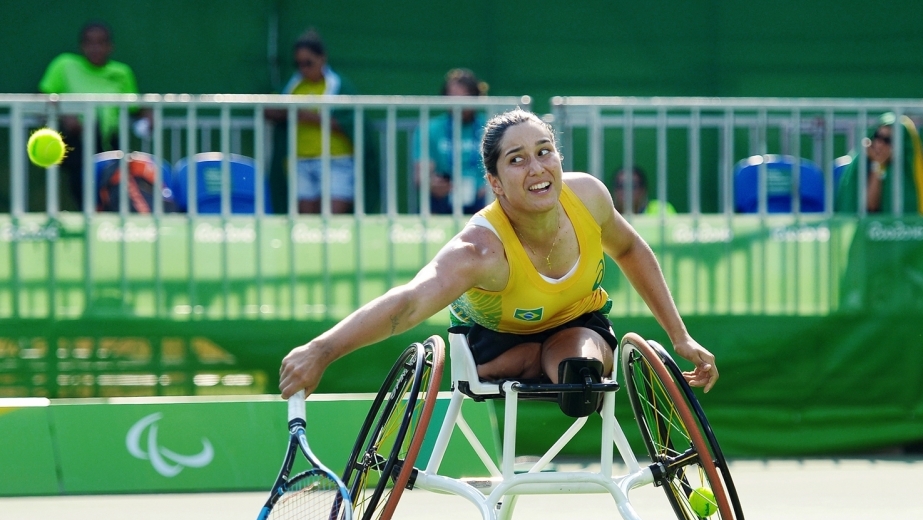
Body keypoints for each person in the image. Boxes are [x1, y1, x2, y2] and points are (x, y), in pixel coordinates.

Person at [279, 109, 717, 401]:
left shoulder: (588, 196)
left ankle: (552, 365)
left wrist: (680, 337)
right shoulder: (480, 250)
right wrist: (322, 350)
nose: (537, 168)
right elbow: (409, 303)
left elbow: (630, 249)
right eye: (517, 159)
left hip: (576, 322)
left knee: (580, 382)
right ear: (495, 182)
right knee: (528, 361)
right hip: (497, 339)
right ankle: (526, 361)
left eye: (545, 152)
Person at [38, 21, 145, 207]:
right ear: (82, 46)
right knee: (82, 175)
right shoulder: (64, 65)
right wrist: (65, 115)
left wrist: (149, 113)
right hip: (75, 143)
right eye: (89, 42)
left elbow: (137, 109)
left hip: (110, 144)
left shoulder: (122, 73)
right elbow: (41, 98)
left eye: (101, 42)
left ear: (110, 47)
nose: (95, 48)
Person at [266, 29, 357, 214]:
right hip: (300, 162)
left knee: (333, 223)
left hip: (335, 161)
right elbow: (268, 109)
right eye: (298, 64)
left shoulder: (339, 85)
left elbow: (350, 124)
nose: (303, 69)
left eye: (308, 63)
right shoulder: (293, 85)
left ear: (322, 58)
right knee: (306, 227)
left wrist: (309, 117)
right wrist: (288, 113)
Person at [412, 68, 489, 215]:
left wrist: (492, 186)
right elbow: (420, 175)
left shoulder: (492, 127)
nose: (458, 103)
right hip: (443, 199)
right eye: (452, 96)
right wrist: (431, 183)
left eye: (464, 96)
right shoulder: (430, 129)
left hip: (483, 198)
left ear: (476, 97)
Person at [835, 112, 923, 215]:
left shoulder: (910, 173)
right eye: (878, 136)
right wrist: (878, 165)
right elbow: (870, 206)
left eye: (887, 140)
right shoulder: (861, 165)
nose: (879, 144)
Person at [612, 166, 677, 216]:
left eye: (633, 186)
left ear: (643, 190)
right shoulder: (608, 215)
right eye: (620, 186)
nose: (626, 191)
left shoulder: (661, 210)